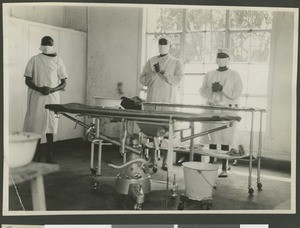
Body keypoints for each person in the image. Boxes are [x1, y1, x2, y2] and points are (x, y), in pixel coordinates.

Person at [140, 35, 184, 171]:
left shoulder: (176, 63)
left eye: (165, 43)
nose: (162, 45)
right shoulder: (151, 61)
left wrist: (164, 73)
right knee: (153, 131)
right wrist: (154, 73)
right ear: (158, 45)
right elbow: (143, 80)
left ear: (170, 45)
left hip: (168, 100)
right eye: (160, 43)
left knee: (168, 131)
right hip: (153, 99)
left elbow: (178, 80)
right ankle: (153, 159)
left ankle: (165, 160)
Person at [23, 36, 68, 163]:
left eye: (50, 44)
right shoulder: (35, 60)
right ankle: (36, 155)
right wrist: (39, 89)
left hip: (52, 97)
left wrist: (52, 90)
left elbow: (64, 82)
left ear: (53, 45)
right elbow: (27, 80)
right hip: (38, 97)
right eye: (46, 44)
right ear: (42, 45)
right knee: (37, 125)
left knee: (50, 126)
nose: (48, 46)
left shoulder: (58, 60)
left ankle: (49, 156)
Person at [199, 47, 243, 177]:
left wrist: (223, 88)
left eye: (224, 56)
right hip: (213, 109)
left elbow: (237, 92)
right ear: (216, 58)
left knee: (225, 140)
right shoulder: (210, 74)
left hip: (227, 110)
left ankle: (224, 167)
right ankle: (211, 166)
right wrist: (211, 90)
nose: (221, 58)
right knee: (213, 139)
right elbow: (202, 91)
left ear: (229, 59)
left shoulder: (234, 75)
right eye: (219, 55)